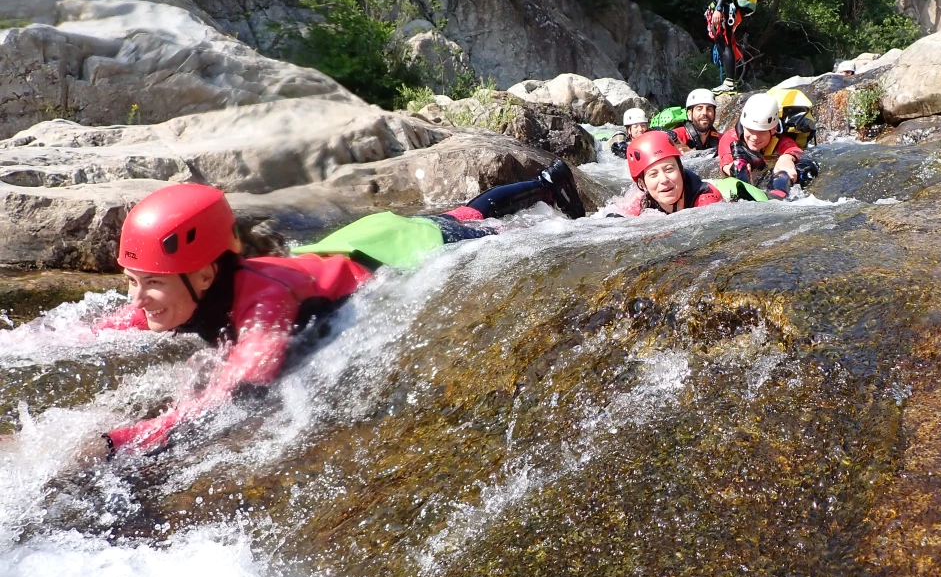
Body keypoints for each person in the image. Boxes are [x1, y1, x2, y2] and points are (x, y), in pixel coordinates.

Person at [83, 163, 586, 457]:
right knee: (460, 212)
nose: (137, 299)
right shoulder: (197, 285)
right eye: (131, 281)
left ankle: (547, 185)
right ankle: (544, 180)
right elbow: (119, 321)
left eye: (151, 283)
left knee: (476, 225)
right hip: (343, 245)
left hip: (396, 248)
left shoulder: (264, 304)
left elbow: (238, 384)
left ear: (204, 274)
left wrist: (114, 442)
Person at [718, 93, 820, 200]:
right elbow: (726, 163)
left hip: (773, 178)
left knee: (785, 172)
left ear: (773, 129)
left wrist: (787, 158)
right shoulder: (730, 138)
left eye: (761, 132)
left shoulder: (779, 138)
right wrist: (736, 168)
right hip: (744, 166)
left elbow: (794, 150)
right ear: (743, 126)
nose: (754, 137)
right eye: (750, 130)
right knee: (739, 168)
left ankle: (777, 197)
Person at [623, 131, 725, 217]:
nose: (664, 180)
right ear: (643, 184)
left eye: (669, 169)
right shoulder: (640, 203)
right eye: (653, 174)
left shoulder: (707, 199)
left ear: (681, 170)